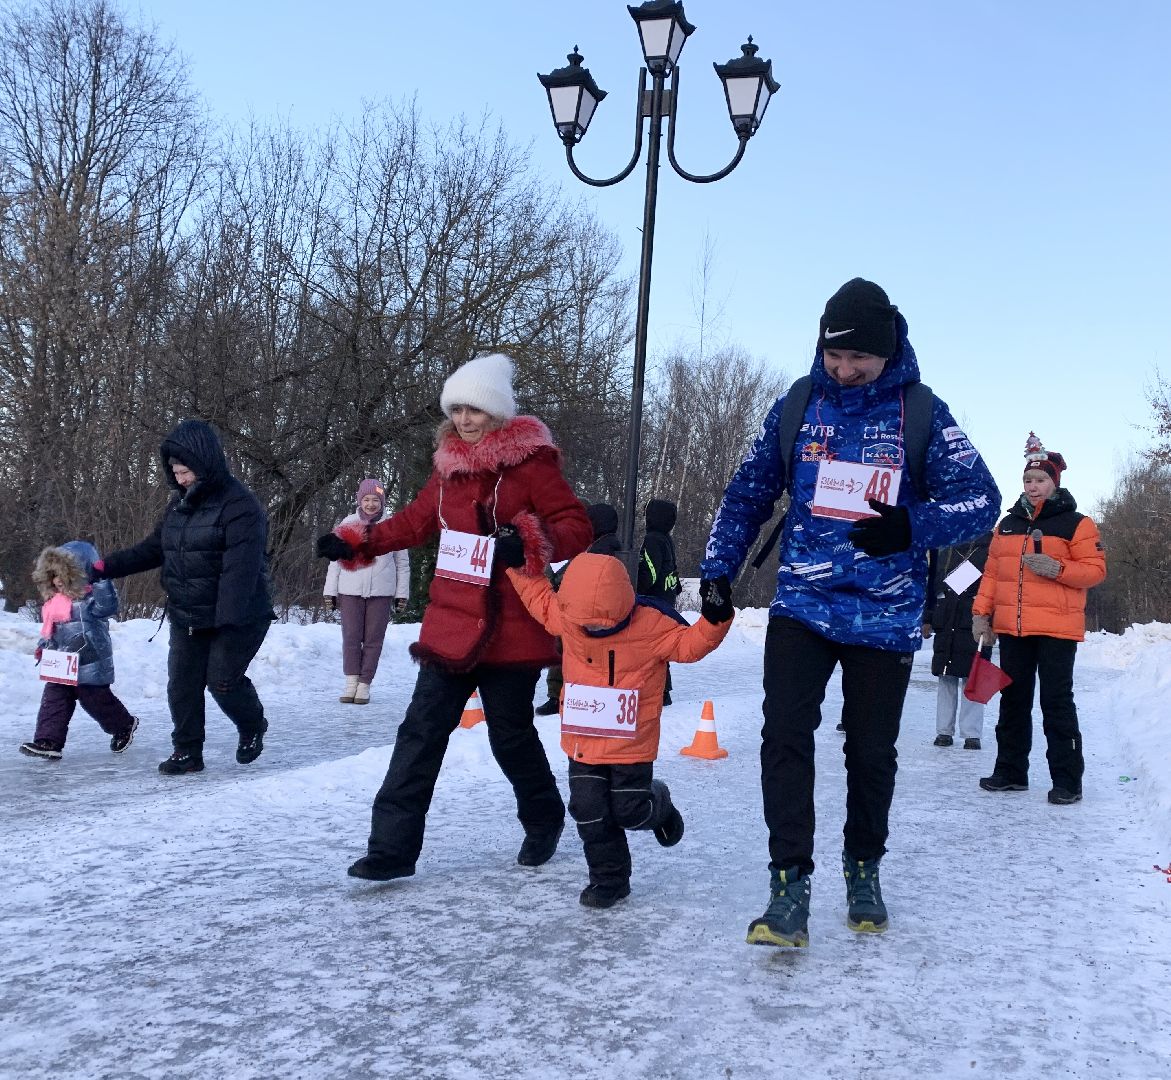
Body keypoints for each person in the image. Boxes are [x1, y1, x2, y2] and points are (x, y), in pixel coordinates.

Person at [701, 277, 1001, 947]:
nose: (843, 369)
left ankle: (862, 868)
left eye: (857, 359)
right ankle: (787, 886)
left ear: (885, 350)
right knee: (782, 735)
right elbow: (747, 490)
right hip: (801, 605)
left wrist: (911, 526)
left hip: (884, 615)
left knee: (870, 752)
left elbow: (982, 499)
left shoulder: (920, 412)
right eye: (833, 356)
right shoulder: (798, 403)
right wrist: (718, 567)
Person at [316, 353, 593, 882]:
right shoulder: (446, 468)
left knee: (510, 736)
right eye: (457, 409)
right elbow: (415, 523)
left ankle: (544, 817)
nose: (465, 419)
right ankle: (391, 850)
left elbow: (575, 525)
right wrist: (355, 540)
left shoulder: (532, 465)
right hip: (450, 621)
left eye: (476, 410)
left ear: (498, 414)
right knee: (420, 732)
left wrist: (526, 543)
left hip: (511, 624)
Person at [508, 552, 734, 907]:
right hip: (584, 741)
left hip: (631, 744)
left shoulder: (652, 623)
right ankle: (609, 880)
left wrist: (716, 618)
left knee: (630, 811)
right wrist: (518, 563)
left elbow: (690, 646)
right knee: (588, 810)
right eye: (588, 625)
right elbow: (538, 597)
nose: (594, 630)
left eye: (602, 625)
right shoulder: (567, 617)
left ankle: (658, 805)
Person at [97, 420, 274, 775]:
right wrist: (101, 568)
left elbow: (239, 571)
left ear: (205, 464)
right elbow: (151, 549)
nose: (180, 479)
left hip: (237, 614)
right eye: (175, 472)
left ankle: (252, 724)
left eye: (186, 471)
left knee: (222, 681)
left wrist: (225, 621)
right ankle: (187, 751)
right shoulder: (178, 507)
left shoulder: (241, 506)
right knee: (182, 684)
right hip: (187, 611)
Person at [972, 435, 1106, 804]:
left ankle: (1067, 781)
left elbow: (1095, 570)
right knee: (1012, 700)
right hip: (1013, 628)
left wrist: (1058, 567)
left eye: (1040, 480)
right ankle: (1011, 772)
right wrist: (982, 614)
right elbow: (992, 574)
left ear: (1054, 482)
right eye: (1028, 481)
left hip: (1056, 630)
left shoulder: (1077, 524)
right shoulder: (1009, 524)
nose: (1033, 487)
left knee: (1056, 702)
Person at [19, 542, 139, 759]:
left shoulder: (91, 600)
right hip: (62, 663)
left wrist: (101, 581)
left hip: (90, 660)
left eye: (62, 576)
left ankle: (123, 724)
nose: (57, 581)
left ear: (78, 575)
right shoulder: (54, 603)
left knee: (95, 700)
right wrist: (43, 647)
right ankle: (48, 741)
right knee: (54, 698)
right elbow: (51, 632)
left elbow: (108, 607)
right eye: (53, 576)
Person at [323, 478, 410, 704]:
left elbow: (402, 563)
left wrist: (402, 594)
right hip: (350, 589)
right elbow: (334, 560)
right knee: (351, 637)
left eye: (375, 500)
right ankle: (351, 682)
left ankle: (364, 685)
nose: (371, 504)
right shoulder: (347, 523)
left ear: (382, 502)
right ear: (360, 500)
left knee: (373, 639)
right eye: (367, 499)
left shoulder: (392, 526)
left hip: (381, 592)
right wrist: (329, 592)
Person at [534, 501, 623, 716]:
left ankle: (559, 696)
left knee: (564, 646)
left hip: (584, 613)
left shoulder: (599, 549)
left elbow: (570, 577)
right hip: (593, 612)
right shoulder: (606, 546)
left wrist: (546, 576)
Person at [924, 534, 992, 749]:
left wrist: (992, 622)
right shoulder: (948, 548)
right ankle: (943, 731)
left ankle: (972, 733)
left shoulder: (991, 548)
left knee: (974, 677)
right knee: (946, 677)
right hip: (947, 622)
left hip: (974, 621)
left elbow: (996, 590)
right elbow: (933, 589)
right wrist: (927, 618)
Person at [637, 499, 682, 705]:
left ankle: (660, 691)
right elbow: (671, 570)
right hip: (667, 599)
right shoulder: (666, 540)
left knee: (650, 646)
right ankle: (663, 690)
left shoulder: (653, 539)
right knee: (660, 646)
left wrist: (636, 588)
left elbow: (651, 572)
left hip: (654, 601)